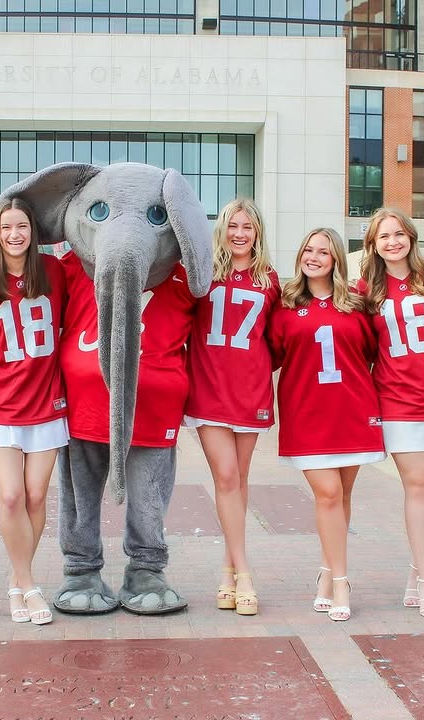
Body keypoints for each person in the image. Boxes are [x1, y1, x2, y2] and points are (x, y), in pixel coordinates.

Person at [269, 228, 384, 622]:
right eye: (308, 250)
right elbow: (270, 356)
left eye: (323, 251)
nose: (313, 257)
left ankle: (325, 573)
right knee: (329, 493)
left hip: (352, 411)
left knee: (341, 497)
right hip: (306, 415)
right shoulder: (285, 305)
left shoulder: (357, 305)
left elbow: (372, 354)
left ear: (335, 259)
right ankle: (341, 581)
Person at [0, 197, 67, 626]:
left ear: (33, 231)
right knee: (10, 496)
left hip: (47, 400)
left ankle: (16, 581)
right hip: (0, 402)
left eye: (22, 226)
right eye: (6, 227)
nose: (14, 234)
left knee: (36, 496)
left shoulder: (56, 271)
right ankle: (28, 585)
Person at [359, 208, 424, 620]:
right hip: (398, 399)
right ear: (373, 244)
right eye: (384, 236)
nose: (393, 242)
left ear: (411, 237)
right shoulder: (367, 289)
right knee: (418, 484)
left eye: (399, 233)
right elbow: (365, 349)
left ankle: (418, 569)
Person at [184, 199, 279, 616]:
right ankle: (245, 573)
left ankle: (227, 572)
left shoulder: (269, 279)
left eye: (248, 227)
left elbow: (275, 341)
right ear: (221, 230)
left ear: (257, 233)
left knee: (239, 479)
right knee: (225, 477)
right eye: (233, 226)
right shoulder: (202, 274)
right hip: (208, 388)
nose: (240, 233)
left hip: (250, 391)